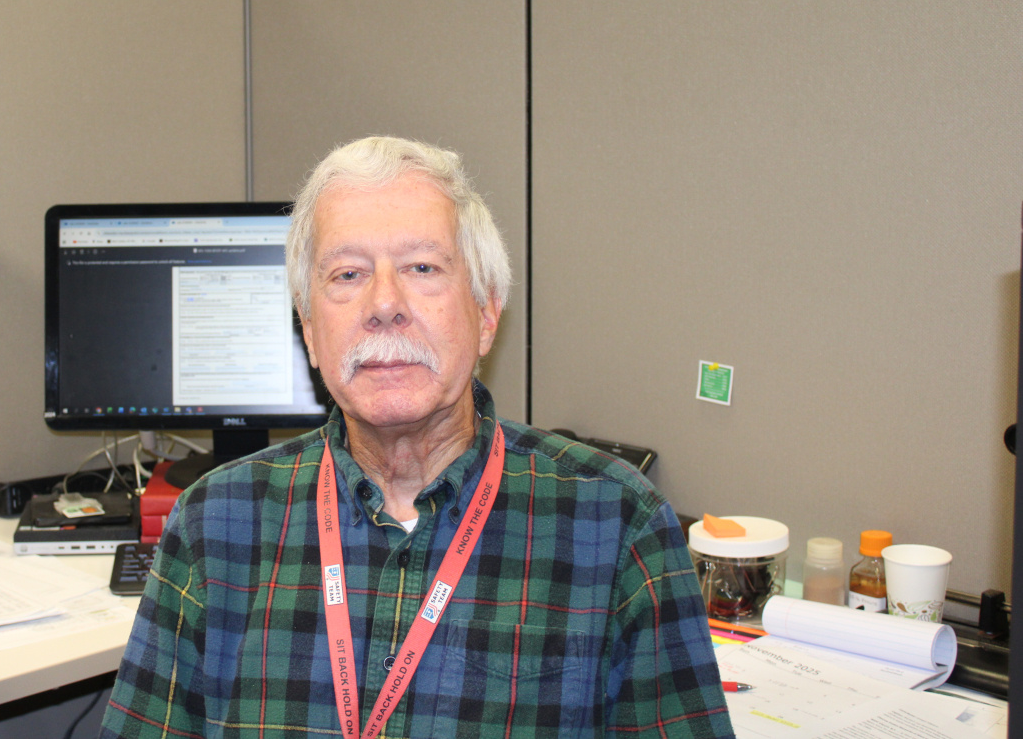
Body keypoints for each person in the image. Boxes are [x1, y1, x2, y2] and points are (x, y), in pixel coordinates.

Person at [99, 136, 733, 739]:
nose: (384, 303)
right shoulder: (214, 525)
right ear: (310, 330)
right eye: (347, 275)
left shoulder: (617, 525)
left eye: (422, 267)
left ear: (487, 313)